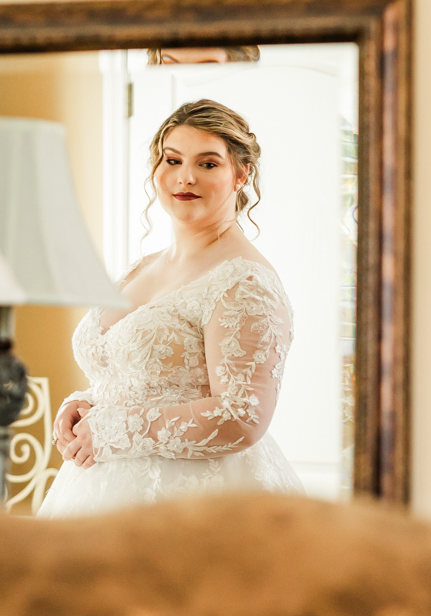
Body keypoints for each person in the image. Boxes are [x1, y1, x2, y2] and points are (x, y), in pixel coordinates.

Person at [37, 99, 302, 518]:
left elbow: (243, 416)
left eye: (208, 164)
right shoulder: (142, 267)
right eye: (172, 160)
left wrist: (112, 430)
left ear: (241, 174)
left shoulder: (245, 283)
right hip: (94, 492)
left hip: (196, 507)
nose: (185, 177)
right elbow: (141, 380)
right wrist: (88, 405)